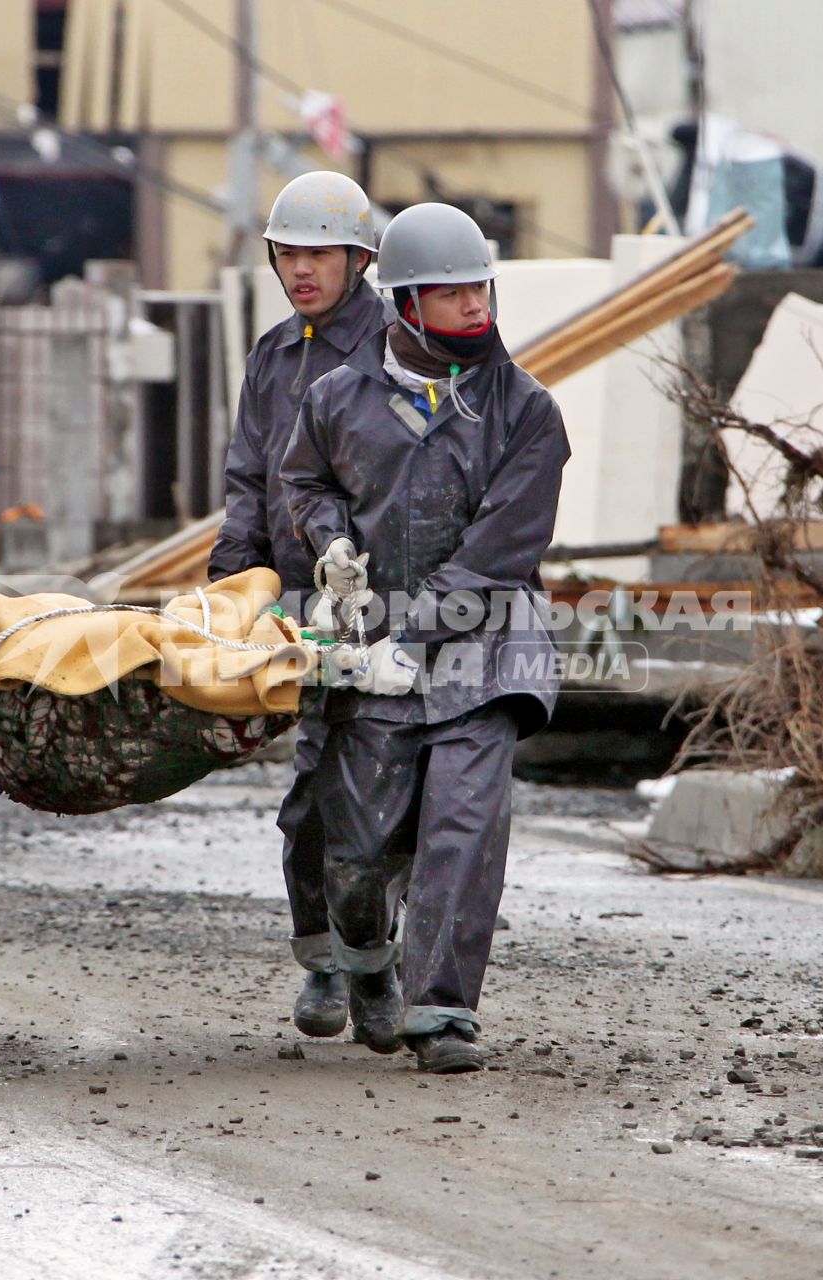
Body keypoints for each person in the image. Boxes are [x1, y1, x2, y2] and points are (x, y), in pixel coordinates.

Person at [280, 202, 569, 1074]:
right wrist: (328, 540)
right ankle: (365, 966)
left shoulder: (525, 413)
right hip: (370, 647)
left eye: (479, 289)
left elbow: (501, 547)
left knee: (462, 825)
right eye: (450, 295)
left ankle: (442, 1010)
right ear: (405, 305)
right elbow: (303, 477)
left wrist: (419, 631)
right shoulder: (335, 399)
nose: (474, 307)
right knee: (359, 847)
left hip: (487, 650)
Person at [206, 171, 391, 1042]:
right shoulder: (276, 353)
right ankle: (323, 959)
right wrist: (231, 586)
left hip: (388, 603)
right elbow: (249, 476)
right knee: (313, 794)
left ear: (360, 258)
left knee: (388, 797)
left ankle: (382, 968)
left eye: (320, 252)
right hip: (296, 605)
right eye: (289, 253)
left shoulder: (399, 349)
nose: (301, 269)